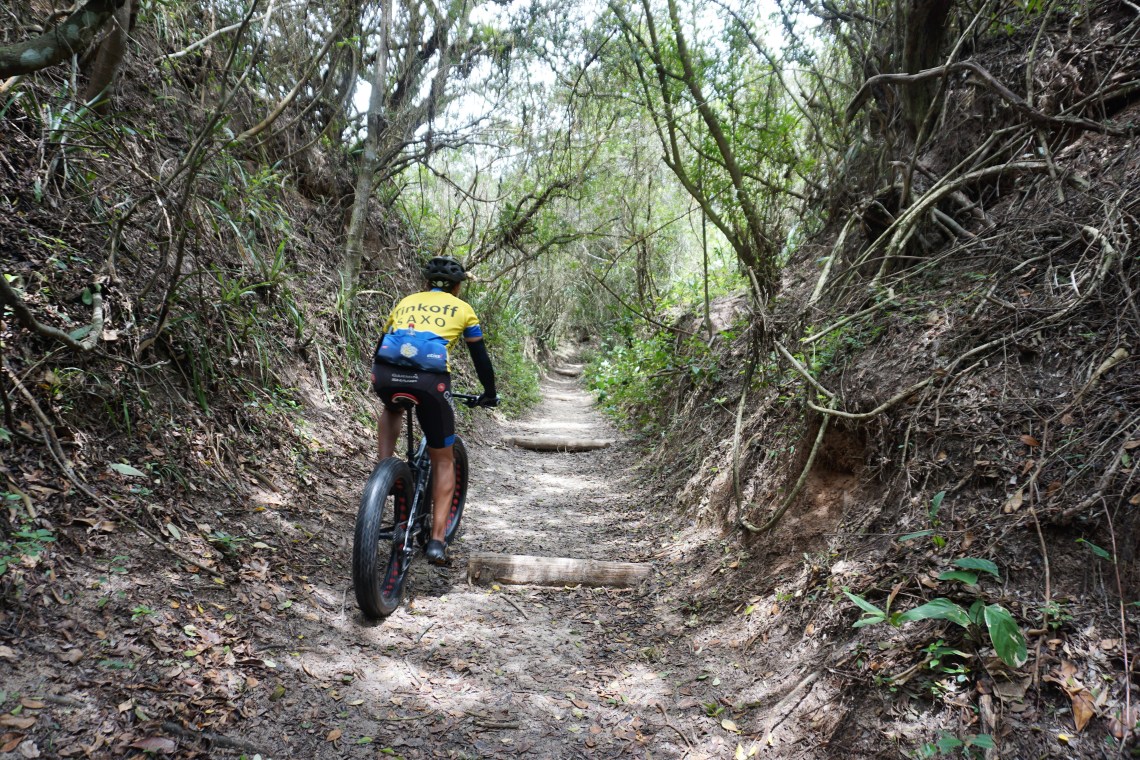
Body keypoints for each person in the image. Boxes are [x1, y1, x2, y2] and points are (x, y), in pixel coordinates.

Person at [371, 256, 498, 565]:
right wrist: (489, 393)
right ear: (457, 287)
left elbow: (380, 345)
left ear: (425, 283)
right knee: (443, 458)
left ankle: (383, 472)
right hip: (431, 383)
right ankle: (438, 542)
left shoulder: (406, 301)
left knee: (392, 406)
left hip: (386, 376)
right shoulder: (464, 310)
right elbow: (480, 358)